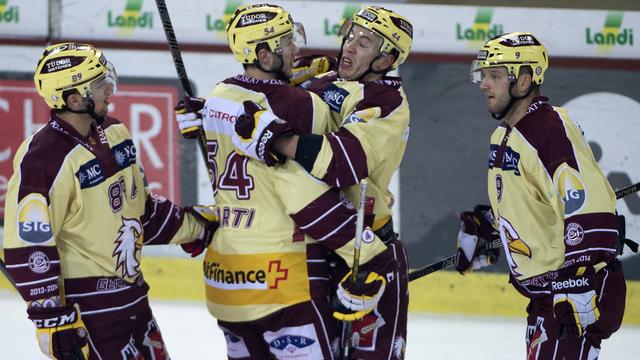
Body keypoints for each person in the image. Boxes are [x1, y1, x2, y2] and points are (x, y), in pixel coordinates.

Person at [174, 4, 396, 359]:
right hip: (282, 279)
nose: (296, 50)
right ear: (264, 54)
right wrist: (370, 257)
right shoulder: (303, 104)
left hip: (225, 280)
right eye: (287, 42)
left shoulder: (217, 96)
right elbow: (305, 194)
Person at [2, 42, 217, 360]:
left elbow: (139, 212)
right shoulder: (43, 158)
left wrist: (194, 227)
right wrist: (50, 319)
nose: (109, 90)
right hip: (88, 314)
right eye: (99, 84)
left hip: (134, 300)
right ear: (74, 98)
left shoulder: (116, 133)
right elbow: (29, 243)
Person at [231, 6, 413, 359]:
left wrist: (276, 139)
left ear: (386, 58)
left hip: (368, 253)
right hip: (318, 251)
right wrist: (212, 115)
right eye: (350, 36)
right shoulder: (326, 75)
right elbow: (262, 88)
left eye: (365, 43)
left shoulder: (387, 103)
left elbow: (343, 163)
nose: (349, 46)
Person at [456, 32, 626, 359]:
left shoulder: (549, 127)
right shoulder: (503, 135)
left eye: (495, 76)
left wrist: (577, 277)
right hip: (546, 296)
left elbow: (588, 205)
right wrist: (491, 228)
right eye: (484, 75)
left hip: (572, 290)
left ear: (524, 80)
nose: (483, 85)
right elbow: (533, 200)